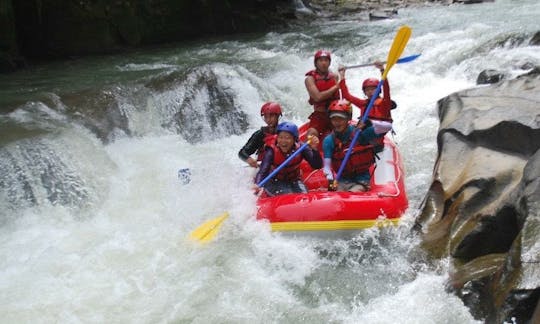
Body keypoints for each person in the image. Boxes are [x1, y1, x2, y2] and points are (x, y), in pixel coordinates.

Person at [322, 99, 392, 192]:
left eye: (340, 119)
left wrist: (370, 123)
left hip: (361, 179)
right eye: (334, 119)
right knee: (338, 193)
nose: (336, 122)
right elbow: (326, 167)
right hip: (342, 180)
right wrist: (330, 178)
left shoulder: (359, 133)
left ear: (348, 119)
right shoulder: (329, 140)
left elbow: (387, 127)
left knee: (355, 192)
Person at [338, 61, 396, 152]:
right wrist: (342, 76)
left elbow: (386, 88)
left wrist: (382, 70)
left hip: (376, 142)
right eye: (367, 90)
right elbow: (346, 95)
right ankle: (346, 146)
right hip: (365, 143)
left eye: (373, 89)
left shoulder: (384, 103)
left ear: (378, 90)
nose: (370, 92)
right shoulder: (363, 104)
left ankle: (356, 144)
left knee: (365, 130)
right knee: (348, 130)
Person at [254, 122, 322, 196]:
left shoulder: (301, 148)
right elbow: (263, 171)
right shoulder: (271, 151)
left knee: (304, 197)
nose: (283, 141)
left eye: (287, 138)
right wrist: (257, 184)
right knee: (288, 195)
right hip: (274, 181)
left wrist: (314, 149)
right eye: (281, 137)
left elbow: (317, 165)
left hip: (294, 180)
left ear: (294, 139)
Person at [305, 50, 341, 138]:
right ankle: (309, 151)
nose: (323, 63)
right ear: (316, 63)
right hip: (320, 114)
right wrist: (336, 87)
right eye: (321, 61)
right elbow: (317, 97)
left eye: (326, 60)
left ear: (329, 62)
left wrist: (342, 74)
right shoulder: (310, 79)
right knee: (311, 133)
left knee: (343, 132)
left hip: (335, 113)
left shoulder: (335, 76)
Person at [238, 102, 282, 168]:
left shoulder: (285, 132)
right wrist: (249, 159)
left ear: (278, 116)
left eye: (271, 116)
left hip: (282, 167)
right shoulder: (260, 135)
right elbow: (242, 153)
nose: (268, 120)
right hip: (264, 168)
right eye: (266, 117)